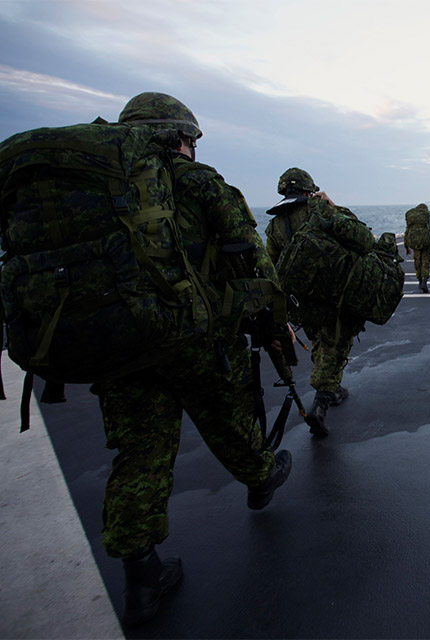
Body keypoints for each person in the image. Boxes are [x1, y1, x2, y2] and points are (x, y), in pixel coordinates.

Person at [95, 92, 292, 626]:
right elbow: (251, 257)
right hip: (193, 336)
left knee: (139, 451)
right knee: (225, 415)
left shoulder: (100, 184)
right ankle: (259, 477)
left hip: (119, 342)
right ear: (181, 137)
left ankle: (141, 577)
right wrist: (272, 324)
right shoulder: (200, 183)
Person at [265, 167, 364, 437]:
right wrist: (333, 205)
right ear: (310, 190)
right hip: (332, 294)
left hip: (301, 300)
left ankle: (333, 388)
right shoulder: (319, 210)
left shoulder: (275, 224)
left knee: (321, 340)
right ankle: (320, 403)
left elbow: (270, 265)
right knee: (337, 342)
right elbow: (358, 234)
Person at [404, 203, 430, 292]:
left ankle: (419, 280)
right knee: (426, 262)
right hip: (426, 241)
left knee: (417, 262)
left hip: (414, 242)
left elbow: (407, 232)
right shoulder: (427, 216)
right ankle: (425, 281)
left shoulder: (412, 221)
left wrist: (406, 247)